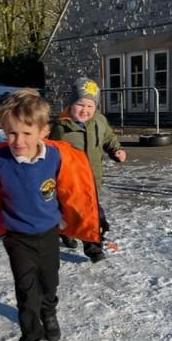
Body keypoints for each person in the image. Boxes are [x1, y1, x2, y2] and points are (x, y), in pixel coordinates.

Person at [0, 89, 100, 341]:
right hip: (17, 237)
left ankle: (49, 311)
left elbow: (74, 191)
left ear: (44, 132)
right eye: (11, 133)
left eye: (27, 133)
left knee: (49, 282)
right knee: (27, 297)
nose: (18, 141)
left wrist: (88, 220)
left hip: (49, 232)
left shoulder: (56, 156)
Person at [49, 77, 126, 262]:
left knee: (93, 214)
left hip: (93, 180)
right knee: (69, 212)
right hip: (71, 182)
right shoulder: (61, 127)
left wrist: (116, 150)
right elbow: (50, 152)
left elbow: (108, 137)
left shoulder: (99, 121)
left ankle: (93, 248)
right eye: (80, 105)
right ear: (71, 104)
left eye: (90, 106)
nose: (85, 110)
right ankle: (65, 232)